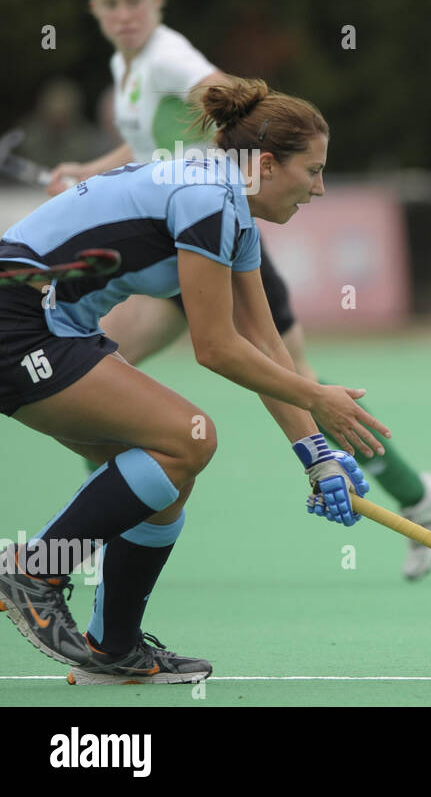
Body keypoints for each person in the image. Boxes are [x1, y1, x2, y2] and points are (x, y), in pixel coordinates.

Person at [45, 0, 431, 580]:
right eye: (109, 4)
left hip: (207, 239)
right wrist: (94, 173)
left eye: (134, 0)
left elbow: (235, 110)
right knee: (102, 381)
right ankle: (102, 523)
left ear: (156, 1)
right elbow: (149, 138)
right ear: (95, 10)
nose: (123, 14)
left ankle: (419, 494)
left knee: (295, 379)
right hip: (174, 247)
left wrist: (204, 182)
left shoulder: (167, 55)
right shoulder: (126, 70)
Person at [0, 78, 386, 683]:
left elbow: (264, 342)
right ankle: (34, 570)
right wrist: (317, 398)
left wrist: (316, 454)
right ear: (265, 163)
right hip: (17, 321)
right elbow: (215, 347)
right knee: (191, 437)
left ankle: (113, 649)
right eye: (312, 170)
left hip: (54, 329)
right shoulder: (207, 195)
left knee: (166, 477)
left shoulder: (228, 204)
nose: (319, 188)